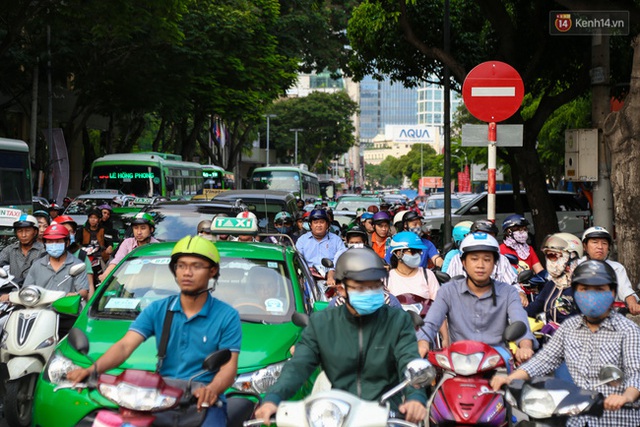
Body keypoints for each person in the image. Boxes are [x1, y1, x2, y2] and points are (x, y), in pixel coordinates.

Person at [67, 236, 242, 425]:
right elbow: (125, 346)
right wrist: (92, 370)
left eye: (196, 266)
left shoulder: (227, 316)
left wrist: (212, 389)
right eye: (181, 266)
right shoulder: (158, 309)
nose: (187, 273)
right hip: (161, 397)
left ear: (212, 271)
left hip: (204, 401)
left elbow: (229, 367)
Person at [253, 248, 427, 424]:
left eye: (375, 286)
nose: (370, 291)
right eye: (361, 287)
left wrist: (416, 398)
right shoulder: (322, 323)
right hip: (337, 414)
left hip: (385, 414)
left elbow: (410, 362)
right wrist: (273, 398)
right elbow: (299, 366)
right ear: (341, 288)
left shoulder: (397, 321)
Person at [491, 260, 640, 427]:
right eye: (584, 289)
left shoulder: (628, 330)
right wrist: (511, 379)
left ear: (613, 293)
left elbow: (636, 374)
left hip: (617, 419)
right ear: (575, 293)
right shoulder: (569, 327)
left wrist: (626, 397)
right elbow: (544, 360)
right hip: (575, 419)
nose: (591, 295)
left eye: (599, 289)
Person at [418, 232, 536, 360]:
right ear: (463, 262)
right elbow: (430, 323)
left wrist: (525, 347)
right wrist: (422, 343)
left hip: (497, 364)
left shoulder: (509, 292)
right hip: (457, 363)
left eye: (487, 259)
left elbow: (520, 322)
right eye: (474, 259)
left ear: (494, 263)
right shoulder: (448, 291)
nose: (480, 265)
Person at [387, 232, 449, 347]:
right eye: (412, 251)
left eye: (418, 251)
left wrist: (445, 339)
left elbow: (439, 310)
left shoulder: (427, 275)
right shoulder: (387, 279)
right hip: (395, 338)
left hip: (426, 336)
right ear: (397, 253)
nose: (417, 255)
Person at [8, 224, 89, 300]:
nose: (54, 245)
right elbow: (27, 290)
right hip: (40, 310)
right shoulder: (37, 265)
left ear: (67, 243)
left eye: (58, 241)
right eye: (50, 242)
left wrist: (76, 294)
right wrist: (10, 297)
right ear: (45, 244)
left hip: (66, 311)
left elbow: (84, 291)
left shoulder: (76, 264)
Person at [445, 219, 520, 295]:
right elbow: (449, 287)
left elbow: (512, 284)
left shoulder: (502, 260)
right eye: (481, 235)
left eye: (490, 236)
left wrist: (520, 293)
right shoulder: (457, 259)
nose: (485, 239)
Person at [578, 226, 640, 314]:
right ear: (585, 246)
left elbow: (626, 290)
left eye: (604, 243)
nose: (600, 247)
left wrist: (633, 304)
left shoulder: (616, 267)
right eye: (595, 242)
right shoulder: (575, 265)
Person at [525, 233, 583, 325]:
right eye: (548, 256)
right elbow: (535, 307)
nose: (549, 261)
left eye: (553, 256)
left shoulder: (582, 287)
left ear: (571, 257)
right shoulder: (551, 284)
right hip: (550, 337)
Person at [98, 212, 159, 281]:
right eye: (136, 228)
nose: (139, 232)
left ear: (151, 229)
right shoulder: (127, 243)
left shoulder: (157, 246)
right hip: (127, 282)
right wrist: (105, 275)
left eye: (143, 228)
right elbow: (117, 260)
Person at [295, 209, 345, 286]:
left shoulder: (336, 240)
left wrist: (331, 274)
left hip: (332, 280)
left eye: (322, 222)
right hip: (307, 278)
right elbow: (298, 259)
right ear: (310, 225)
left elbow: (340, 258)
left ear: (327, 225)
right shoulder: (302, 240)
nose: (318, 225)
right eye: (315, 222)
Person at [54, 215, 96, 297]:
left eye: (70, 231)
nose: (68, 235)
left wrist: (88, 307)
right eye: (64, 231)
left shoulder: (81, 255)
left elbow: (89, 285)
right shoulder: (44, 256)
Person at [0, 214, 46, 284]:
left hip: (35, 290)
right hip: (13, 289)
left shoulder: (43, 251)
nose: (23, 235)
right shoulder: (10, 250)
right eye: (20, 231)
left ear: (35, 232)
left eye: (27, 230)